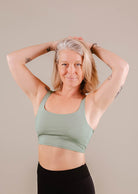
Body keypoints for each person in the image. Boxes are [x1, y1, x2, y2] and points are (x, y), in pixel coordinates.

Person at [7, 36, 129, 194]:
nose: (71, 70)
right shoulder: (40, 95)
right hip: (44, 180)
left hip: (76, 184)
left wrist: (91, 47)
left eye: (78, 64)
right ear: (57, 66)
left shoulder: (93, 103)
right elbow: (13, 60)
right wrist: (52, 45)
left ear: (85, 68)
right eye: (64, 64)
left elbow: (122, 67)